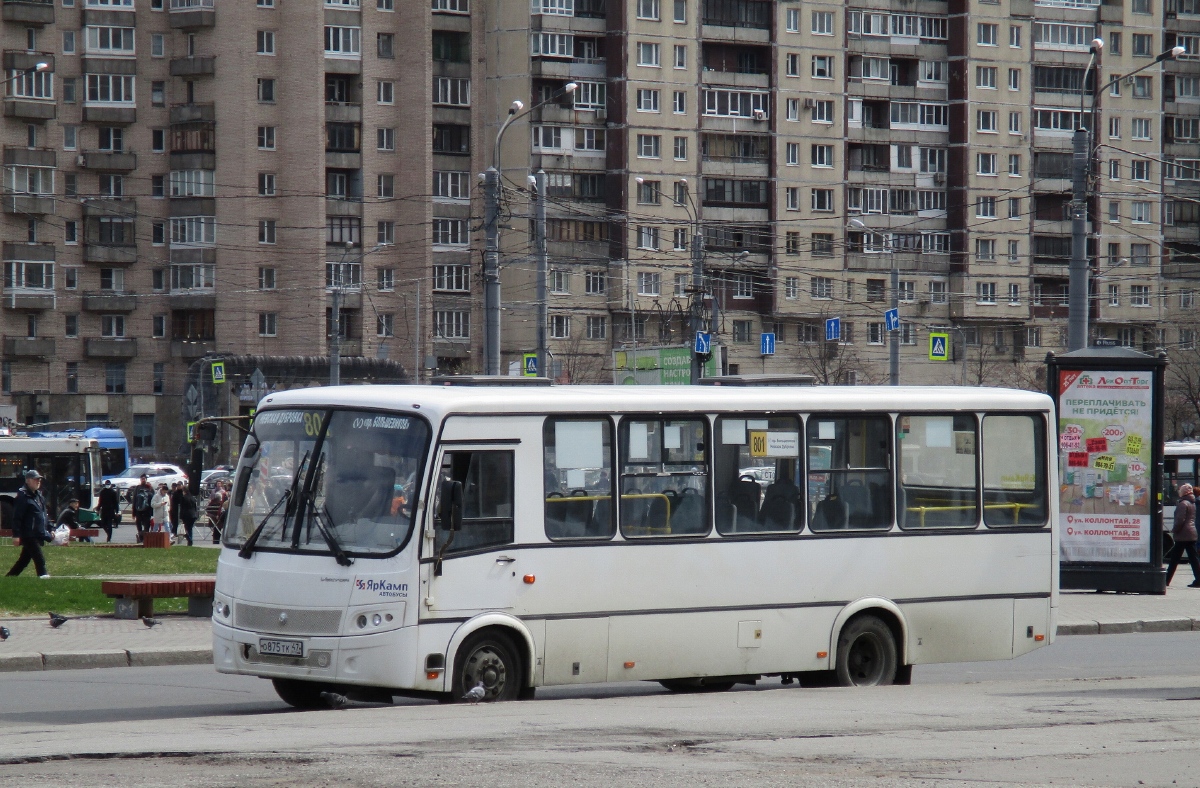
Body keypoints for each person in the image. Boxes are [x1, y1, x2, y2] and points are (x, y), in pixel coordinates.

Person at [6, 470, 52, 578]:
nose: (38, 481)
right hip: (28, 534)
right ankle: (43, 576)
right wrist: (16, 535)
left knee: (23, 561)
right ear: (28, 481)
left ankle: (10, 577)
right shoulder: (22, 497)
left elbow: (44, 515)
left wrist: (50, 528)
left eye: (39, 479)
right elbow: (17, 517)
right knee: (39, 558)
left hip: (37, 533)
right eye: (35, 479)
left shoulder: (39, 496)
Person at [1166, 483, 1200, 587]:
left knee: (1174, 559)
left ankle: (1166, 580)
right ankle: (1198, 580)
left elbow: (1180, 520)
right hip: (1191, 533)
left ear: (1183, 492)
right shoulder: (1192, 503)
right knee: (1194, 559)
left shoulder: (1183, 503)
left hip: (1183, 535)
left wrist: (1174, 530)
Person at [131, 474, 154, 543]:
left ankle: (144, 537)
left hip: (147, 510)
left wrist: (152, 512)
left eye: (144, 479)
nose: (143, 480)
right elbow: (134, 500)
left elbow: (153, 500)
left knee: (146, 524)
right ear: (140, 479)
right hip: (139, 510)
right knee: (139, 524)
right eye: (142, 479)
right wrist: (133, 511)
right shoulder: (137, 488)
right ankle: (141, 537)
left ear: (146, 479)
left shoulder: (149, 487)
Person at [206, 480, 228, 545]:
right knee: (217, 531)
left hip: (219, 518)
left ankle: (216, 541)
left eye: (219, 483)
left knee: (217, 530)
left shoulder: (223, 493)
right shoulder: (213, 492)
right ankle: (216, 541)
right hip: (216, 519)